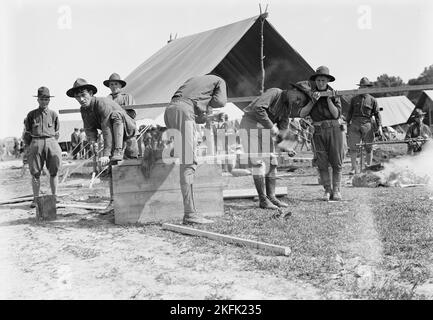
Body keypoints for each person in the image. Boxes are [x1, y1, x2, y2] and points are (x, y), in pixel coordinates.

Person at [66, 78, 139, 212]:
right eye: (77, 97)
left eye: (83, 95)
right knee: (113, 170)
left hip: (128, 135)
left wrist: (106, 154)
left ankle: (134, 202)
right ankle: (114, 203)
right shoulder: (84, 110)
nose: (81, 99)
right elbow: (89, 129)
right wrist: (92, 142)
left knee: (131, 169)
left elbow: (106, 129)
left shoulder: (101, 103)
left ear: (91, 93)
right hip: (114, 136)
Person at [164, 74, 227, 224]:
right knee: (189, 162)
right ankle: (190, 214)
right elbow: (220, 101)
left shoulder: (194, 81)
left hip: (170, 110)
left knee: (180, 151)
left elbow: (195, 114)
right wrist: (211, 108)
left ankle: (157, 152)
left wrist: (208, 116)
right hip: (184, 112)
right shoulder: (220, 80)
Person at [240, 81, 311, 209]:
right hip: (250, 126)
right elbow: (258, 108)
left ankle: (272, 197)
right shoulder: (275, 92)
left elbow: (283, 129)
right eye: (298, 98)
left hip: (266, 131)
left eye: (300, 102)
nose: (297, 102)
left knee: (272, 162)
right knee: (258, 163)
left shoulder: (287, 107)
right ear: (293, 89)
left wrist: (287, 146)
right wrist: (271, 126)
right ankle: (263, 200)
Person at [300, 66, 344, 201]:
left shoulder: (334, 94)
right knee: (322, 163)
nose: (320, 83)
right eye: (318, 80)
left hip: (334, 129)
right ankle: (327, 190)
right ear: (315, 81)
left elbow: (336, 114)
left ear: (328, 81)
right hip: (318, 131)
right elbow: (302, 113)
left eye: (323, 80)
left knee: (336, 162)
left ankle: (336, 190)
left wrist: (329, 99)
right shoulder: (310, 95)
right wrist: (313, 101)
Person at [24, 87, 62, 208]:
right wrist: (31, 146)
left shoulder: (53, 114)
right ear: (38, 100)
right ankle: (35, 199)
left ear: (49, 100)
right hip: (36, 142)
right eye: (42, 99)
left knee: (54, 171)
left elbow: (57, 131)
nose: (44, 101)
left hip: (51, 141)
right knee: (35, 173)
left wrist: (52, 143)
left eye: (46, 99)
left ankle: (54, 196)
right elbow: (27, 133)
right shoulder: (31, 115)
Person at [346, 77, 382, 174]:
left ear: (368, 87)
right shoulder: (354, 99)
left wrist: (378, 126)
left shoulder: (373, 100)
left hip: (367, 124)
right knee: (353, 147)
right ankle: (354, 168)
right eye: (361, 86)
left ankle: (368, 167)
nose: (363, 88)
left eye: (365, 86)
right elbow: (349, 112)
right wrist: (347, 124)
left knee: (369, 147)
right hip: (355, 123)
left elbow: (377, 113)